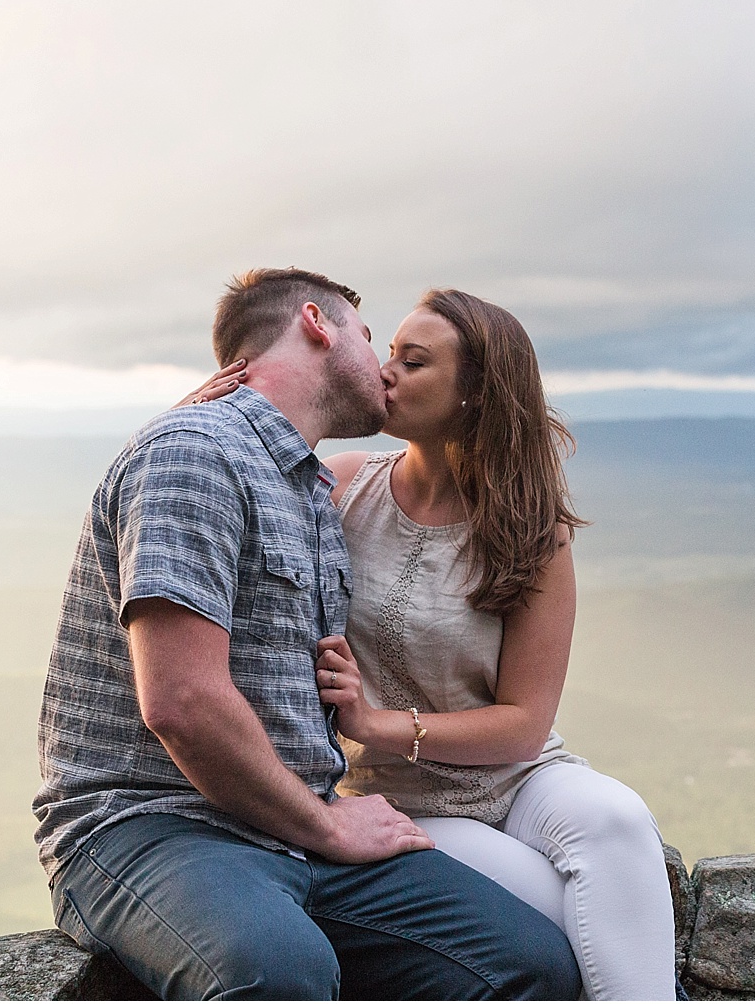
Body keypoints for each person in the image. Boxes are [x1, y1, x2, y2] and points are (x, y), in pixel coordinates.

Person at [33, 268, 581, 1001]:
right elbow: (182, 704)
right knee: (278, 971)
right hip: (153, 823)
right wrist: (326, 827)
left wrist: (318, 820)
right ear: (319, 324)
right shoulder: (195, 453)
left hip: (291, 822)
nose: (385, 368)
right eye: (368, 335)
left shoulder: (308, 487)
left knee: (529, 964)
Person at [187, 288, 677, 1000]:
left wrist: (371, 723)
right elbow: (227, 500)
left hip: (521, 777)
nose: (384, 372)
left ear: (475, 395)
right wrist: (196, 420)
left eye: (412, 363)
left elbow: (524, 724)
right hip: (403, 804)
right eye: (389, 353)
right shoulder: (343, 487)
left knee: (616, 817)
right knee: (573, 929)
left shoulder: (532, 531)